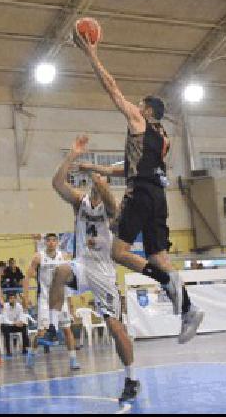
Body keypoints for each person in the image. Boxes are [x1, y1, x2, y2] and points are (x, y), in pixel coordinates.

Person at [72, 29, 203, 339]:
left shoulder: (139, 121)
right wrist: (95, 166)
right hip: (158, 195)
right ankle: (188, 309)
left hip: (140, 194)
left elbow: (112, 89)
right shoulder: (163, 139)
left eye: (139, 104)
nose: (134, 107)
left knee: (119, 252)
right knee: (159, 255)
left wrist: (91, 53)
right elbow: (133, 168)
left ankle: (164, 281)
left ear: (146, 110)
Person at [49, 137, 141, 403]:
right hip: (83, 265)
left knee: (114, 326)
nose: (95, 184)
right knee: (61, 269)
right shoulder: (79, 202)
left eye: (99, 182)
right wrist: (72, 156)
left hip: (103, 273)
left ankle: (131, 377)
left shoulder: (114, 208)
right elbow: (57, 183)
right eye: (93, 182)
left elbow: (106, 195)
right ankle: (54, 323)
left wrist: (96, 170)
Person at [22, 232, 78, 369]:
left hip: (60, 299)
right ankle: (31, 354)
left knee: (67, 329)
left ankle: (73, 360)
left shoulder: (64, 257)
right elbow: (27, 277)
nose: (51, 243)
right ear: (45, 242)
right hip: (45, 299)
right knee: (41, 332)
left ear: (57, 242)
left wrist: (71, 303)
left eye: (54, 240)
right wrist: (26, 296)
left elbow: (68, 281)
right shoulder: (38, 257)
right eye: (49, 240)